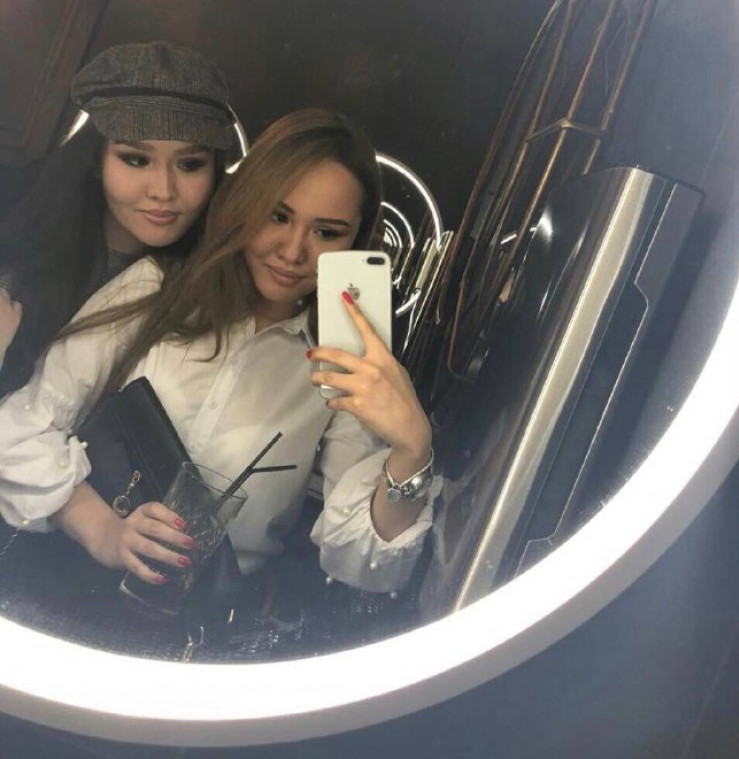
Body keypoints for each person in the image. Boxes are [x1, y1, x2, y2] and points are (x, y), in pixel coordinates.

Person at [0, 109, 439, 594]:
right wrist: (103, 530)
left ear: (355, 240)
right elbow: (18, 428)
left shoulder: (343, 365)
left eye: (326, 232)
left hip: (202, 622)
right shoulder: (157, 290)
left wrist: (412, 452)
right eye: (278, 216)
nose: (293, 251)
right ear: (246, 204)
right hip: (64, 587)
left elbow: (360, 563)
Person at [0, 40, 240, 398]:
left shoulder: (217, 292)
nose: (163, 190)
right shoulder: (18, 255)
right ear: (97, 160)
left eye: (190, 164)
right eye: (137, 160)